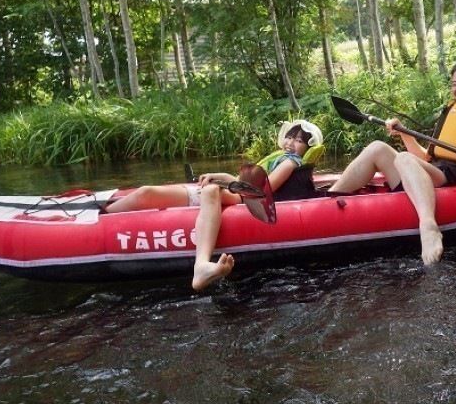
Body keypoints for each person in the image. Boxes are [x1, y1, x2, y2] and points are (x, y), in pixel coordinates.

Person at [328, 58, 456, 265]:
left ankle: (428, 226)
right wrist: (404, 133)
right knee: (377, 147)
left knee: (404, 158)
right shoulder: (450, 112)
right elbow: (426, 158)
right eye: (454, 84)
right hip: (436, 171)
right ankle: (329, 199)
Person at [103, 119, 324, 291]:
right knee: (146, 193)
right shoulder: (276, 157)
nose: (291, 143)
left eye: (299, 140)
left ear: (307, 147)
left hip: (245, 199)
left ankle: (201, 265)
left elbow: (258, 191)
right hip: (239, 192)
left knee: (210, 190)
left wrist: (223, 181)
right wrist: (221, 176)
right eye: (290, 137)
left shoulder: (288, 163)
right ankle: (101, 214)